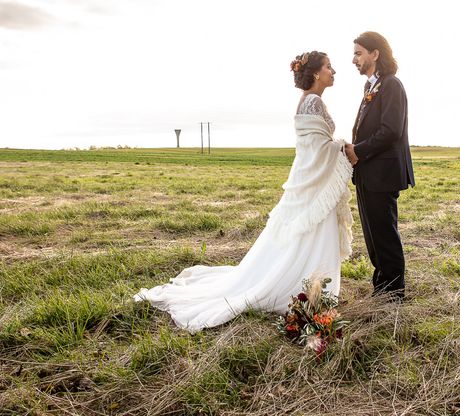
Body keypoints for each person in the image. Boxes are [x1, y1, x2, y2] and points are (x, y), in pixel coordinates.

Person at [134, 51, 353, 332]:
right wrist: (343, 147)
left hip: (310, 179)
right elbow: (317, 149)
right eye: (328, 67)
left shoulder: (312, 101)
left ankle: (309, 281)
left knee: (300, 236)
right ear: (315, 73)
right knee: (305, 234)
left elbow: (315, 145)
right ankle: (300, 282)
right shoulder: (312, 101)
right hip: (312, 182)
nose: (333, 71)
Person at [345, 32, 415, 300]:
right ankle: (381, 286)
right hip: (366, 173)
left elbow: (390, 130)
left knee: (385, 234)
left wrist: (357, 150)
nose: (354, 60)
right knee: (373, 235)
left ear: (375, 54)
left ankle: (393, 293)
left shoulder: (391, 85)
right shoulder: (370, 87)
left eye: (358, 53)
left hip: (382, 174)